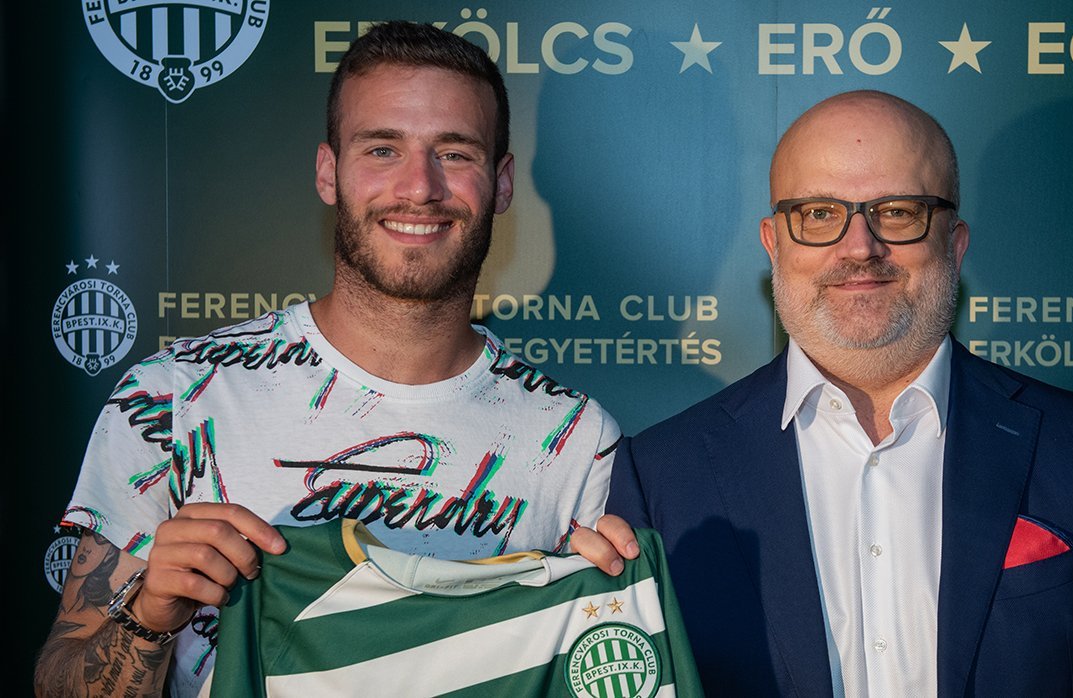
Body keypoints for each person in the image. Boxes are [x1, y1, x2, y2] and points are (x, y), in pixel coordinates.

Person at [35, 22, 630, 697]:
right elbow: (62, 683)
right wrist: (148, 617)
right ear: (328, 172)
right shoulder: (172, 399)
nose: (419, 187)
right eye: (382, 148)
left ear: (500, 183)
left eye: (455, 153)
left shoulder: (579, 441)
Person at [604, 90, 1073, 696]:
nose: (859, 246)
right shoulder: (662, 475)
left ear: (956, 241)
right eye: (817, 213)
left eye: (897, 211)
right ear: (773, 242)